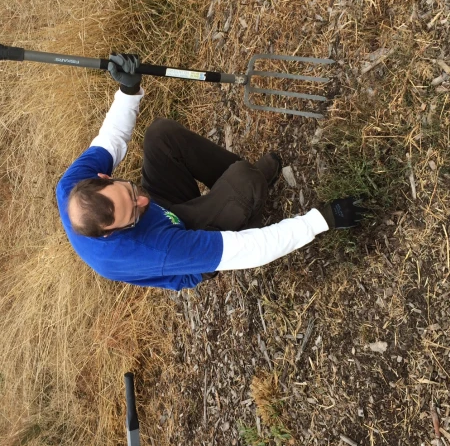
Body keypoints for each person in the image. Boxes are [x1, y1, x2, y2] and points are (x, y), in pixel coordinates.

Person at [55, 54, 368, 290]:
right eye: (133, 214)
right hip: (182, 236)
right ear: (111, 232)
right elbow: (248, 251)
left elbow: (111, 140)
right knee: (245, 185)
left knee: (161, 135)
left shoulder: (73, 187)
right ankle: (248, 203)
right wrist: (320, 220)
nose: (142, 202)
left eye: (131, 192)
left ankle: (243, 184)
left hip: (168, 213)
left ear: (103, 178)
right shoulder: (147, 249)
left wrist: (128, 90)